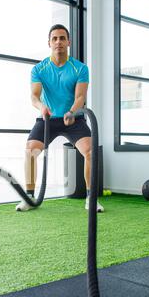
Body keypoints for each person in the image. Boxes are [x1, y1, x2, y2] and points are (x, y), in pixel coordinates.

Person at [16, 24, 104, 213]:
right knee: (30, 150)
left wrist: (72, 112)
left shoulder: (80, 68)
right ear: (49, 43)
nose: (58, 42)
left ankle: (91, 199)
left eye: (62, 38)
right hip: (48, 118)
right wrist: (42, 107)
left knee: (90, 151)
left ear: (68, 42)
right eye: (54, 39)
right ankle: (30, 197)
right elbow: (34, 96)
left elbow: (81, 96)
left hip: (73, 118)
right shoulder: (39, 69)